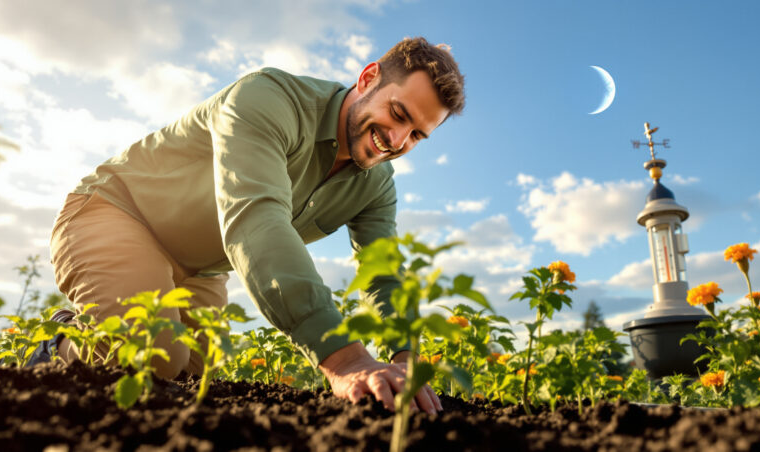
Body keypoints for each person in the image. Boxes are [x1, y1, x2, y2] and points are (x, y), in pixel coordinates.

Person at [32, 37, 465, 415]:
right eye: (397, 113)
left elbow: (383, 274)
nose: (397, 140)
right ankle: (53, 350)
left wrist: (406, 359)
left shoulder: (376, 185)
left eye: (416, 135)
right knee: (154, 356)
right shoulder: (268, 98)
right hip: (115, 213)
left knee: (193, 377)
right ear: (368, 79)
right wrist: (346, 360)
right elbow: (256, 221)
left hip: (199, 268)